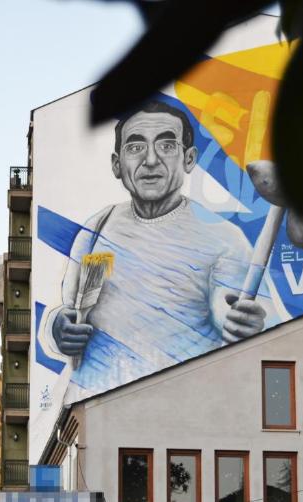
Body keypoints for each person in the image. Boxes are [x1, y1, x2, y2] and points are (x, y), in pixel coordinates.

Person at [41, 100, 282, 401]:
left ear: (189, 158)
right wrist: (57, 329)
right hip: (96, 417)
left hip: (181, 415)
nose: (151, 160)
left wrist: (247, 323)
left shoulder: (222, 237)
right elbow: (71, 307)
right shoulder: (98, 227)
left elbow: (243, 311)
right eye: (136, 147)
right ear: (117, 164)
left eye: (167, 146)